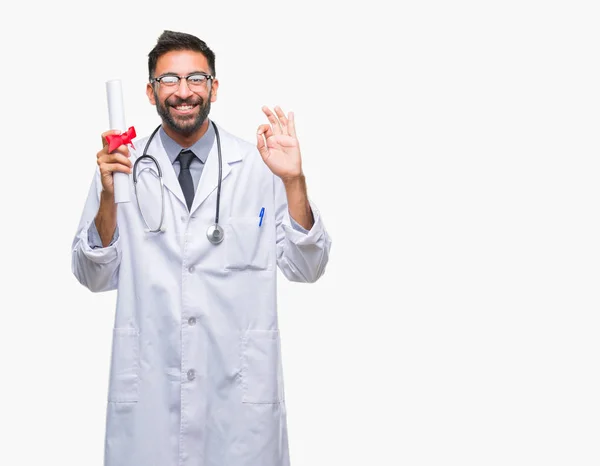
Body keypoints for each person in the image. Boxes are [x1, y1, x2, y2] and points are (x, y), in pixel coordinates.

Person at [71, 30, 331, 466]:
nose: (183, 91)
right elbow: (93, 275)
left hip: (238, 399)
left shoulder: (258, 165)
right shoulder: (121, 168)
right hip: (151, 397)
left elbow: (308, 267)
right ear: (151, 92)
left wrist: (293, 181)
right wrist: (107, 198)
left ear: (214, 87)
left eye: (196, 78)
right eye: (169, 80)